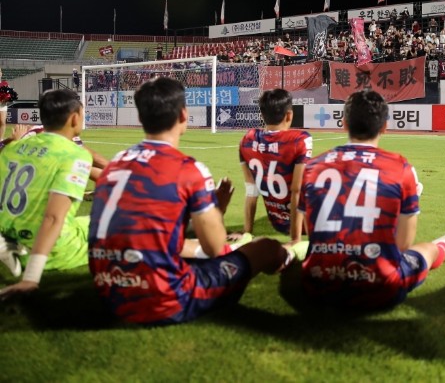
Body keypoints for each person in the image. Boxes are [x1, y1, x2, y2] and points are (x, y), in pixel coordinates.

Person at [87, 77, 301, 325]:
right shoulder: (189, 170)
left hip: (107, 292)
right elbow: (214, 247)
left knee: (182, 241)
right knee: (264, 247)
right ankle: (291, 258)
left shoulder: (116, 163)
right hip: (165, 300)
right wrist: (217, 210)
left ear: (140, 118)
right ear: (183, 116)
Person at [298, 89, 445, 309]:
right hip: (381, 287)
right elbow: (403, 245)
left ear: (343, 124)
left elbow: (309, 229)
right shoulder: (400, 168)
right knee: (423, 251)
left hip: (316, 284)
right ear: (384, 126)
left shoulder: (313, 166)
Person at [0, 89, 93, 297]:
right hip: (52, 250)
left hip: (10, 232)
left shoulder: (14, 148)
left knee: (88, 220)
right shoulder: (75, 155)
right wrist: (31, 278)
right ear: (74, 118)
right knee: (119, 224)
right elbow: (53, 217)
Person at [238, 88, 312, 243]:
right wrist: (295, 239)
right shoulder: (300, 139)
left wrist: (247, 231)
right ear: (289, 115)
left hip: (278, 223)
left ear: (262, 115)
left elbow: (251, 190)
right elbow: (297, 190)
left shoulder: (247, 139)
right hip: (305, 224)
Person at [0, 68, 9, 139]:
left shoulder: (5, 84)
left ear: (1, 73)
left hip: (2, 105)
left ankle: (1, 139)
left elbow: (8, 95)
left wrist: (6, 99)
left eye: (0, 71)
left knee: (2, 122)